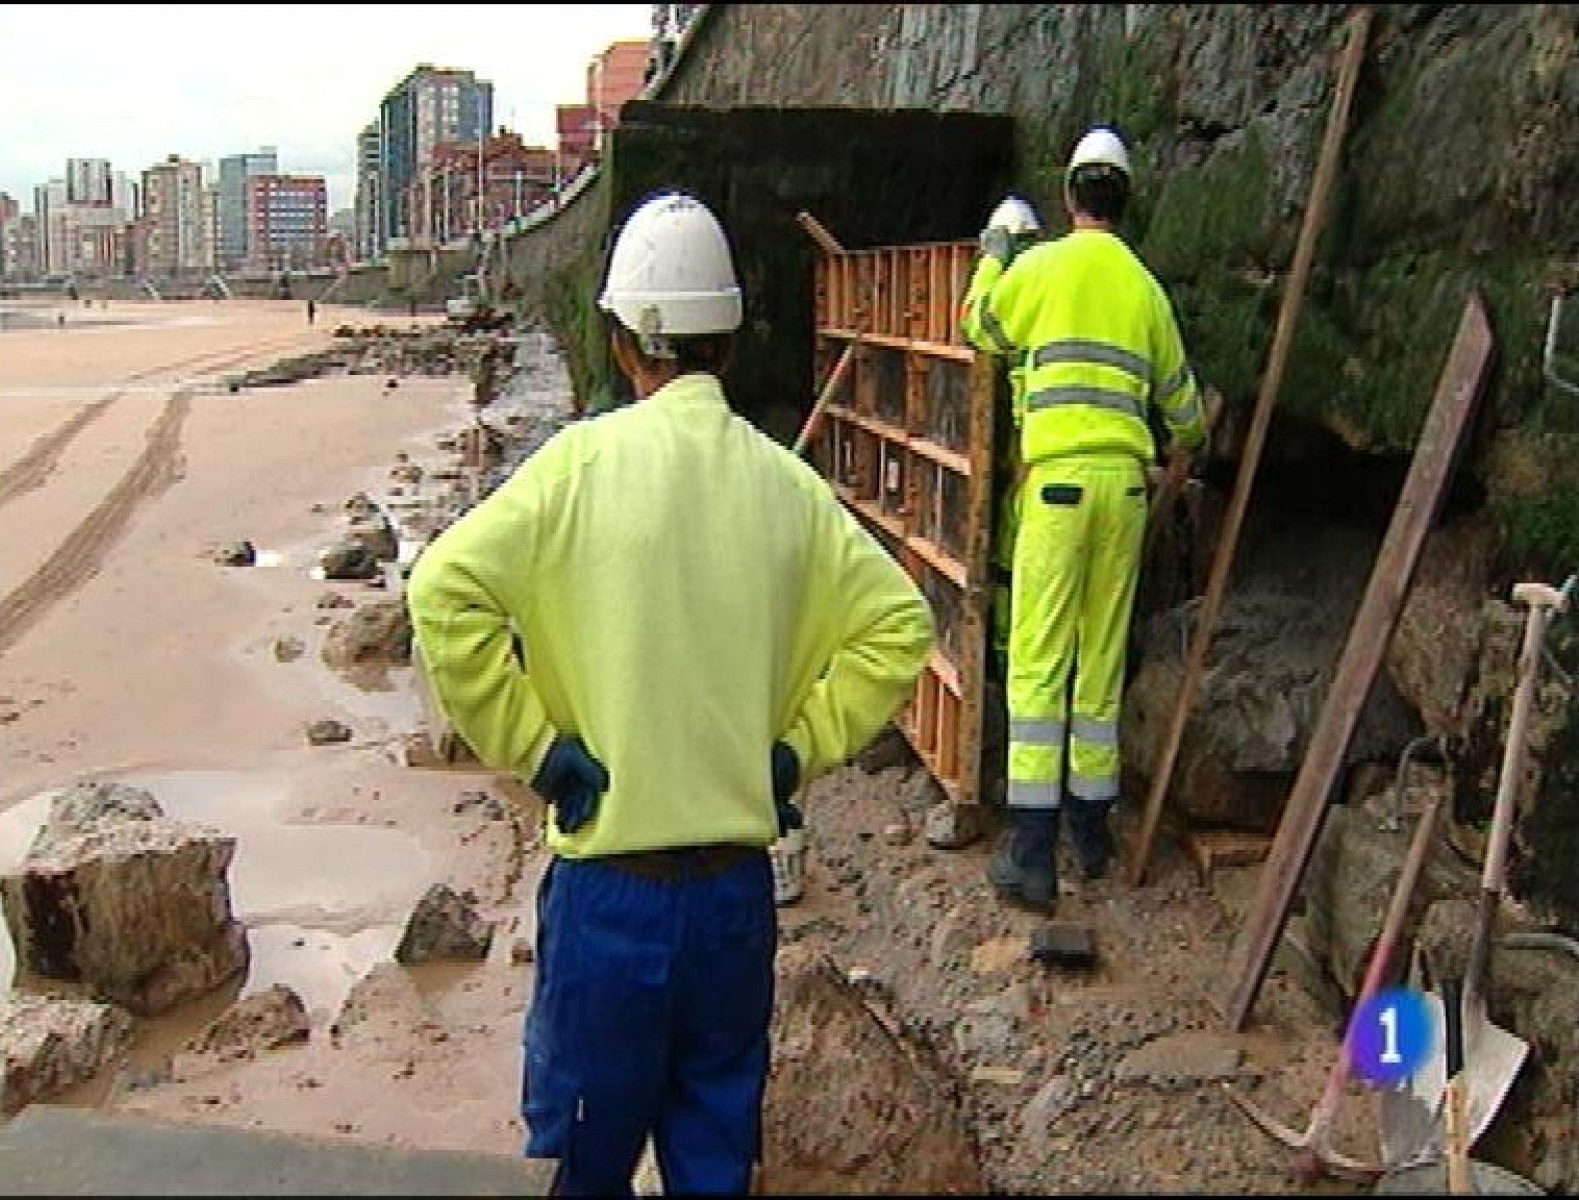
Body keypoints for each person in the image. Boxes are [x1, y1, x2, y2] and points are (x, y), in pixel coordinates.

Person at [406, 189, 934, 1195]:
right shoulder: (786, 488)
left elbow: (442, 590)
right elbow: (898, 626)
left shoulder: (577, 469)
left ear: (619, 343)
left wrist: (537, 748)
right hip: (734, 900)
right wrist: (795, 752)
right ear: (729, 342)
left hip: (612, 898)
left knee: (580, 1165)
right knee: (711, 1157)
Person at [959, 126, 1208, 913]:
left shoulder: (1042, 266)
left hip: (1058, 486)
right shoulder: (1146, 290)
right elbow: (1187, 414)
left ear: (1069, 198)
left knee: (1038, 662)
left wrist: (997, 249)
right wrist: (1181, 443)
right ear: (1126, 201)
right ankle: (1091, 840)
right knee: (1099, 663)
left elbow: (982, 328)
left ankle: (1032, 856)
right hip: (1127, 493)